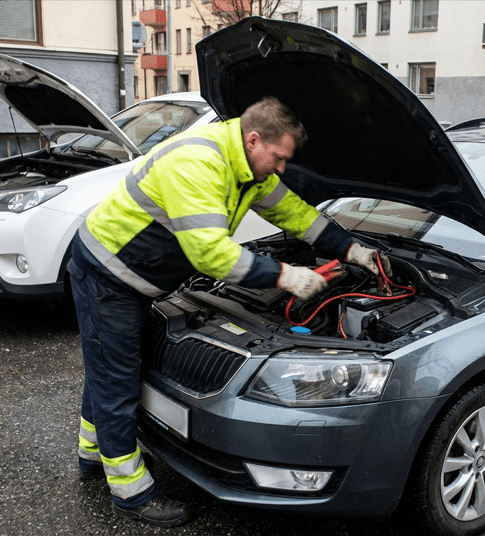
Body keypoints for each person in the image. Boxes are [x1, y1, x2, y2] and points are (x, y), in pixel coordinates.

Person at [68, 96, 389, 527]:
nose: (280, 169)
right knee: (117, 377)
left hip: (135, 276)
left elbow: (296, 215)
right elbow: (212, 255)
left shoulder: (250, 168)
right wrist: (286, 277)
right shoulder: (198, 162)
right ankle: (131, 493)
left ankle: (94, 456)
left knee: (108, 366)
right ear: (254, 139)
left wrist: (353, 249)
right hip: (108, 274)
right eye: (277, 158)